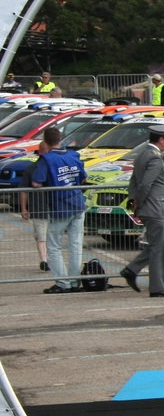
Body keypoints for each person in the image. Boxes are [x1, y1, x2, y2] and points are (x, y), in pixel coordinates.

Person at [28, 126, 88, 294]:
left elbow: (36, 183)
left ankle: (63, 283)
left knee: (54, 245)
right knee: (75, 244)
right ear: (60, 139)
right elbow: (84, 177)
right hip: (78, 202)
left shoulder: (47, 159)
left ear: (46, 141)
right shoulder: (73, 155)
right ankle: (75, 281)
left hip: (60, 206)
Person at [121, 122, 164, 296]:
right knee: (158, 248)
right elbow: (145, 184)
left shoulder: (143, 153)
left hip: (151, 206)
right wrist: (138, 201)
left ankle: (132, 270)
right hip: (155, 207)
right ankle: (157, 287)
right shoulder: (154, 157)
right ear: (161, 139)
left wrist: (133, 199)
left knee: (157, 245)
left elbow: (133, 180)